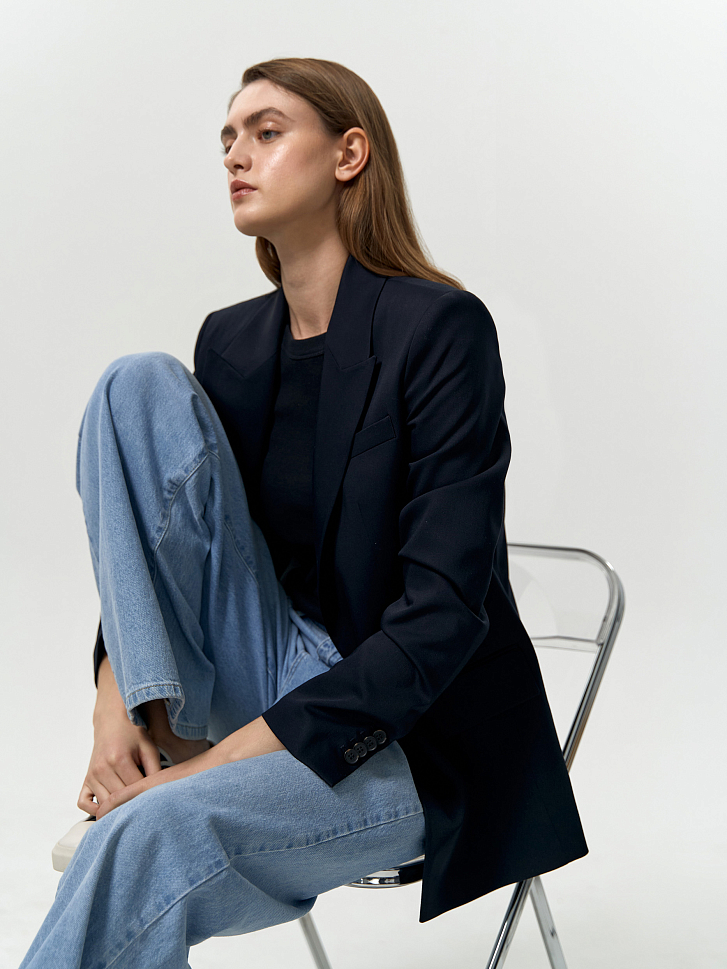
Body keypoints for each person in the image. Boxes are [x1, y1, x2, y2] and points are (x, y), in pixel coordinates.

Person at [20, 57, 587, 968]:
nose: (235, 154)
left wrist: (208, 770)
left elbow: (442, 617)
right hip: (268, 669)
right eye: (227, 137)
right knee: (133, 386)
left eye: (267, 131)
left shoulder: (439, 329)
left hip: (408, 735)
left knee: (145, 833)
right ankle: (160, 731)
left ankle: (182, 771)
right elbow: (166, 543)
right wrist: (111, 712)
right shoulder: (233, 341)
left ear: (348, 154)